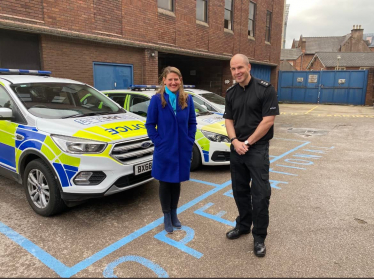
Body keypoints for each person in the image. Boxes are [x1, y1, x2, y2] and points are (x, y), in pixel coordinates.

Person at [223, 54, 279, 257]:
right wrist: (235, 141)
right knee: (239, 191)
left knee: (261, 194)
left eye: (240, 67)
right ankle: (243, 225)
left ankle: (259, 237)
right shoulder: (230, 93)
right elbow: (228, 120)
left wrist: (247, 142)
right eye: (233, 69)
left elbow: (268, 121)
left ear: (249, 67)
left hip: (256, 149)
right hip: (237, 148)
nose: (236, 72)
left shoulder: (266, 89)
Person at [145, 66, 197, 234]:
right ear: (164, 81)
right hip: (165, 150)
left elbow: (192, 123)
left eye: (176, 79)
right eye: (170, 79)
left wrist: (189, 140)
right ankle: (166, 215)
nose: (173, 82)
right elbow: (150, 125)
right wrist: (159, 143)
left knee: (176, 183)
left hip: (182, 149)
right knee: (165, 183)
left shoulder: (187, 99)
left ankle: (174, 213)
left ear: (180, 80)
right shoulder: (157, 100)